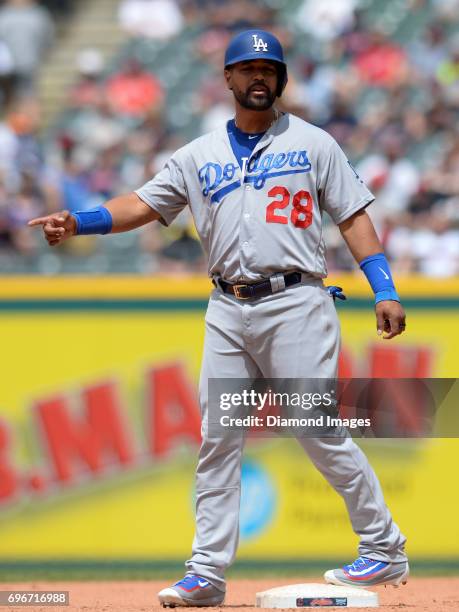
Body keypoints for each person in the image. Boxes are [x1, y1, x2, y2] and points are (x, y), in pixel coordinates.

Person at [29, 29, 409, 607]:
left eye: (268, 68)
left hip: (295, 302)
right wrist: (78, 222)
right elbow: (142, 203)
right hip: (228, 308)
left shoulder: (313, 143)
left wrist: (383, 286)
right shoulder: (198, 155)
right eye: (247, 68)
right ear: (228, 78)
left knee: (315, 428)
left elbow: (353, 215)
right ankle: (206, 572)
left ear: (280, 80)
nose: (259, 77)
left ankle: (383, 547)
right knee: (218, 438)